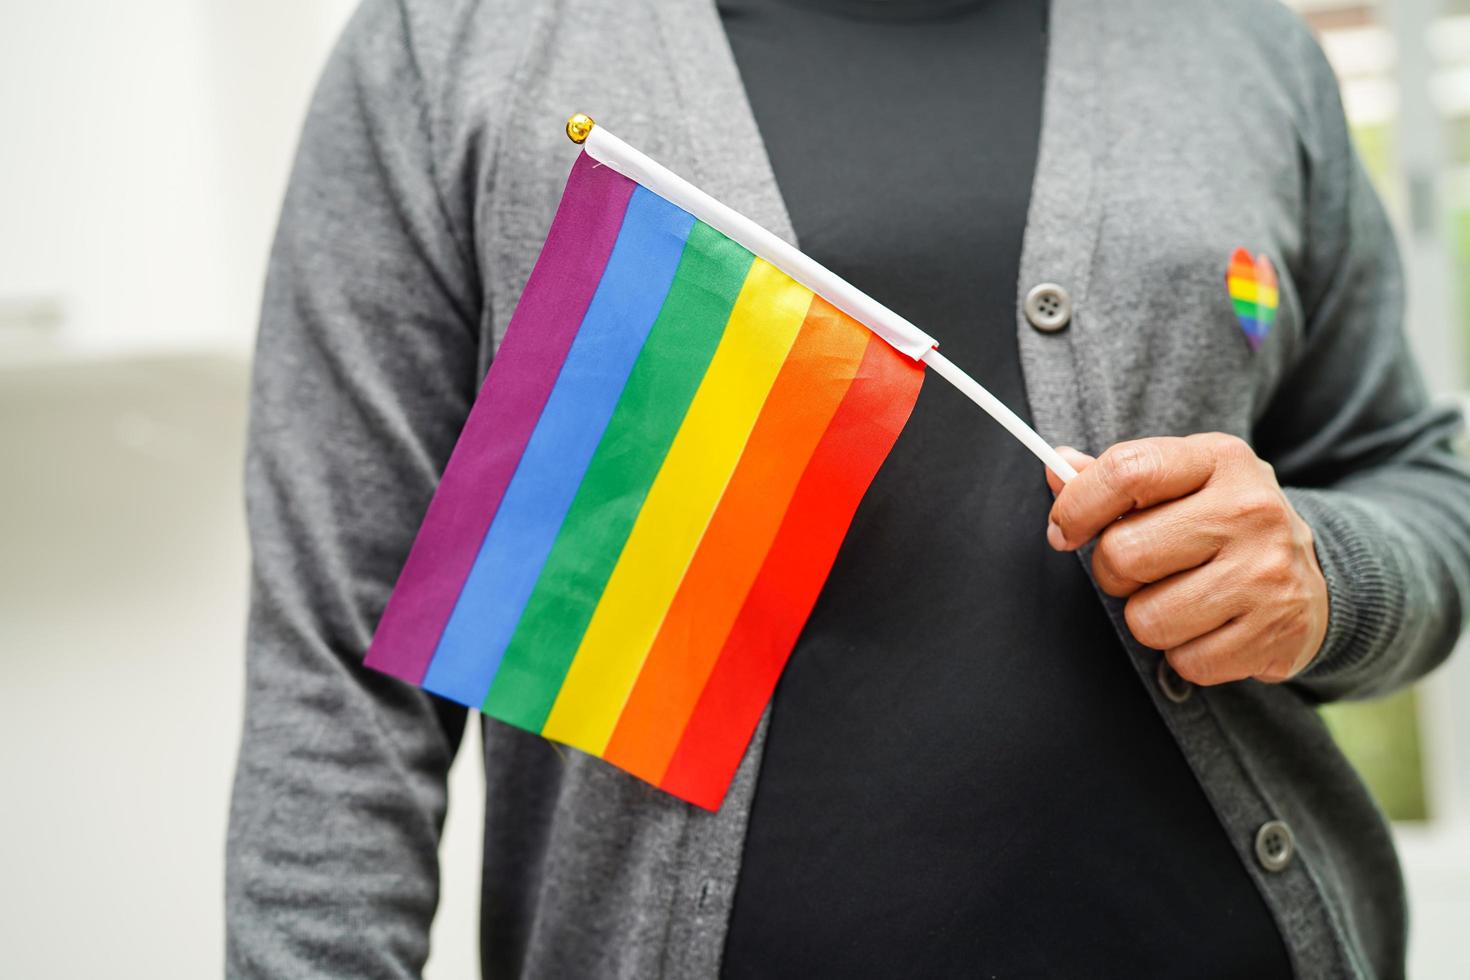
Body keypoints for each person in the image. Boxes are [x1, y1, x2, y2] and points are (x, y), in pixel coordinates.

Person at [226, 0, 1470, 976]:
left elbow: (1422, 485)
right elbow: (340, 666)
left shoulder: (1243, 47)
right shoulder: (455, 42)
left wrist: (1325, 574)